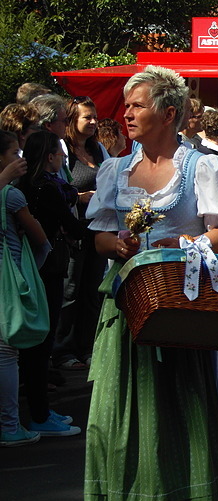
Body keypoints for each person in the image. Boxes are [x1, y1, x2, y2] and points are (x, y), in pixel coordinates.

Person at [83, 65, 218, 501]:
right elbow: (99, 237)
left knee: (180, 416)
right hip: (123, 309)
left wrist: (190, 245)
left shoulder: (205, 166)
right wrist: (116, 245)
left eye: (137, 105)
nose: (126, 113)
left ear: (168, 112)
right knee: (109, 417)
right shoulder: (116, 169)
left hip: (179, 308)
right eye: (126, 104)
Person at [16, 130, 84, 438]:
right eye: (59, 154)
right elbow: (73, 227)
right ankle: (40, 414)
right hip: (48, 265)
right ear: (49, 156)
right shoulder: (48, 189)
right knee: (42, 341)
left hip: (30, 265)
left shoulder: (25, 186)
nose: (62, 159)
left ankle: (41, 410)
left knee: (36, 343)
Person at [52, 96, 110, 371]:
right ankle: (62, 350)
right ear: (72, 120)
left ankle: (87, 346)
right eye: (87, 117)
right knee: (71, 289)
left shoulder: (99, 150)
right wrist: (79, 197)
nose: (93, 122)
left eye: (95, 117)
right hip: (73, 232)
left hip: (97, 230)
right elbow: (57, 187)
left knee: (92, 290)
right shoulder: (64, 151)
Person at [0, 129, 49, 447]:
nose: (20, 159)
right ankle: (10, 424)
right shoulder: (11, 195)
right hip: (8, 281)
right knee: (6, 353)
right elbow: (41, 241)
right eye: (14, 153)